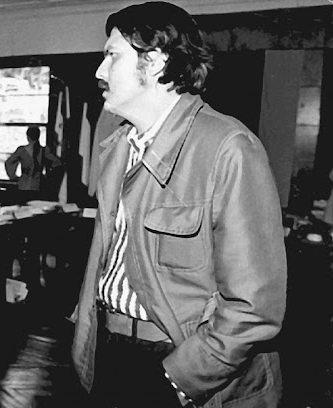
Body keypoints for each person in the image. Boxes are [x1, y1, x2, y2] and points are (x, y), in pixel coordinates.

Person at [71, 2, 287, 407]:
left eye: (112, 56)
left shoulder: (229, 148)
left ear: (154, 62)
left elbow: (253, 306)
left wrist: (178, 378)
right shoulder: (118, 148)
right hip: (112, 349)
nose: (99, 71)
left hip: (178, 363)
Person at [4, 126, 62, 203]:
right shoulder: (44, 150)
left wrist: (13, 176)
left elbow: (9, 162)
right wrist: (48, 175)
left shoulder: (21, 150)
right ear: (38, 136)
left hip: (23, 185)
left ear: (28, 137)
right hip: (38, 185)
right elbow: (57, 162)